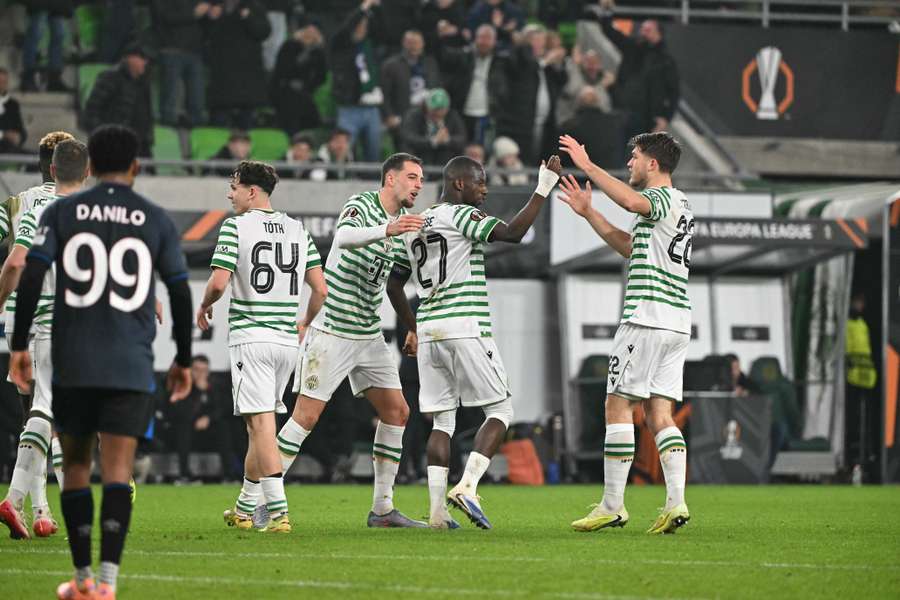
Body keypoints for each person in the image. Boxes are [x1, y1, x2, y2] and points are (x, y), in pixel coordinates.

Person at [8, 124, 193, 597]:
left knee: (72, 465)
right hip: (129, 358)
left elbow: (29, 275)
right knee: (116, 468)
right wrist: (184, 359)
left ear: (90, 167)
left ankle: (82, 578)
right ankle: (108, 582)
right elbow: (177, 289)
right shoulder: (153, 217)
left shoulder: (63, 210)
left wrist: (19, 347)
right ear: (134, 166)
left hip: (74, 354)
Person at [387, 153, 561, 529]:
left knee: (442, 422)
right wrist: (543, 188)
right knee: (501, 411)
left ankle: (436, 513)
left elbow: (394, 283)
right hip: (465, 326)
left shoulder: (416, 224)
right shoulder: (461, 215)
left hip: (430, 332)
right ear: (459, 184)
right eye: (480, 182)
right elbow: (514, 234)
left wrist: (412, 325)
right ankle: (467, 486)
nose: (485, 189)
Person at [275, 153, 428, 528]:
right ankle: (256, 499)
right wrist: (387, 231)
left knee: (398, 412)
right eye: (411, 177)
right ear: (390, 179)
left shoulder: (403, 226)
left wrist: (410, 325)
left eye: (421, 179)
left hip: (367, 333)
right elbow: (342, 238)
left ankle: (382, 509)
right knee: (305, 417)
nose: (418, 185)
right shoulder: (363, 204)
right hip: (331, 330)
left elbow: (392, 285)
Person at [558, 131, 691, 534]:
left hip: (646, 317)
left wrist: (587, 166)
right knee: (659, 413)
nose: (629, 163)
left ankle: (613, 504)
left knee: (617, 405)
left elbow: (632, 200)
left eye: (633, 157)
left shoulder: (661, 198)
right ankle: (676, 503)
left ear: (652, 163)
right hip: (676, 321)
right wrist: (589, 213)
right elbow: (632, 247)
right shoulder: (678, 205)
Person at [199, 160, 326, 533]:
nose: (229, 193)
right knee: (259, 427)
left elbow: (220, 283)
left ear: (251, 191)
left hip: (251, 338)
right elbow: (320, 289)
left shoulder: (236, 226)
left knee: (261, 425)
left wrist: (205, 304)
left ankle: (278, 512)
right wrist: (304, 321)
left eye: (234, 186)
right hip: (287, 342)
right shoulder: (297, 229)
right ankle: (243, 508)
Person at [0, 138, 89, 540]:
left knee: (35, 410)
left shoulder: (18, 203)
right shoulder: (89, 210)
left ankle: (39, 509)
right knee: (50, 412)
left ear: (47, 167)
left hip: (23, 318)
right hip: (65, 322)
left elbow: (14, 259)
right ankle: (29, 503)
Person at [495, 24, 566, 164]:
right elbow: (527, 68)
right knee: (523, 159)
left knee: (541, 159)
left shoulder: (545, 66)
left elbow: (562, 80)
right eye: (536, 40)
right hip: (521, 123)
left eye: (542, 41)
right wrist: (546, 60)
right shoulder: (519, 57)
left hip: (544, 123)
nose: (541, 45)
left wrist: (556, 64)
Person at [331, 0, 386, 163]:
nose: (361, 28)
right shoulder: (340, 46)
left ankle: (373, 185)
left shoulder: (370, 47)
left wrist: (377, 8)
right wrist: (364, 7)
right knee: (344, 153)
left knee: (374, 152)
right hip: (349, 108)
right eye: (358, 25)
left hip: (371, 108)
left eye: (364, 25)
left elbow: (384, 31)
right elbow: (346, 28)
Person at [204, 0, 271, 130]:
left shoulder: (253, 6)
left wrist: (248, 17)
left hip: (247, 76)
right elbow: (205, 34)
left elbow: (264, 32)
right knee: (219, 124)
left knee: (246, 124)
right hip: (222, 75)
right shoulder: (216, 6)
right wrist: (210, 18)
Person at [438, 24, 509, 147]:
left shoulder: (502, 61)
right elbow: (442, 55)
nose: (484, 42)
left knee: (484, 151)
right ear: (475, 38)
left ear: (494, 41)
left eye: (488, 38)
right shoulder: (463, 56)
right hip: (462, 112)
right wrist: (443, 37)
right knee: (460, 149)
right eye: (481, 37)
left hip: (488, 114)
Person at [82, 44, 154, 157]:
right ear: (130, 58)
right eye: (142, 58)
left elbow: (146, 116)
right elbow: (92, 110)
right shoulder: (110, 77)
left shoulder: (144, 83)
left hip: (140, 145)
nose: (145, 62)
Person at [151, 0, 209, 127]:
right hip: (171, 49)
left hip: (195, 50)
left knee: (197, 100)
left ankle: (196, 137)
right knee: (169, 101)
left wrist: (210, 13)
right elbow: (165, 16)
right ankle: (169, 137)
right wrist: (193, 13)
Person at [381, 30, 443, 148]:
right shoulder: (391, 65)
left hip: (427, 117)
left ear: (423, 44)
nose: (414, 46)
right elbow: (385, 94)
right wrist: (388, 115)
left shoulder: (430, 63)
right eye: (410, 42)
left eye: (417, 43)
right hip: (402, 118)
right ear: (404, 43)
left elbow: (438, 88)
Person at [269, 20, 328, 136]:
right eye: (307, 31)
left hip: (305, 93)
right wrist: (300, 60)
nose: (310, 35)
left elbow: (321, 76)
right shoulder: (289, 46)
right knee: (290, 118)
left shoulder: (318, 52)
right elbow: (281, 71)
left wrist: (308, 86)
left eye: (314, 32)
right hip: (285, 92)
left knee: (310, 120)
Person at [400, 88, 466, 166]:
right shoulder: (414, 115)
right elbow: (409, 137)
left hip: (444, 160)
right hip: (419, 157)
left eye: (441, 109)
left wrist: (447, 140)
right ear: (427, 106)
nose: (438, 112)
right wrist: (433, 141)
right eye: (435, 109)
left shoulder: (453, 116)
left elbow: (462, 138)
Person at [20, 1, 73, 92]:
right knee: (36, 32)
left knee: (58, 34)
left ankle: (54, 78)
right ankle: (28, 76)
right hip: (41, 4)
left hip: (56, 5)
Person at [0, 68, 27, 155]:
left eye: (4, 82)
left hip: (10, 148)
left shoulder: (13, 105)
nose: (1, 85)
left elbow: (21, 130)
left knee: (36, 158)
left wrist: (19, 137)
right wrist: (4, 135)